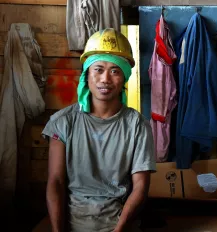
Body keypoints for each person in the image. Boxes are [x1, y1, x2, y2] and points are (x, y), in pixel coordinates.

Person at [42, 28, 156, 232]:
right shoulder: (63, 122)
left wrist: (120, 229)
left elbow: (140, 186)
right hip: (72, 223)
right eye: (98, 69)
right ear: (87, 74)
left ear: (124, 77)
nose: (105, 79)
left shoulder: (136, 125)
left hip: (120, 223)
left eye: (115, 71)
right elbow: (56, 182)